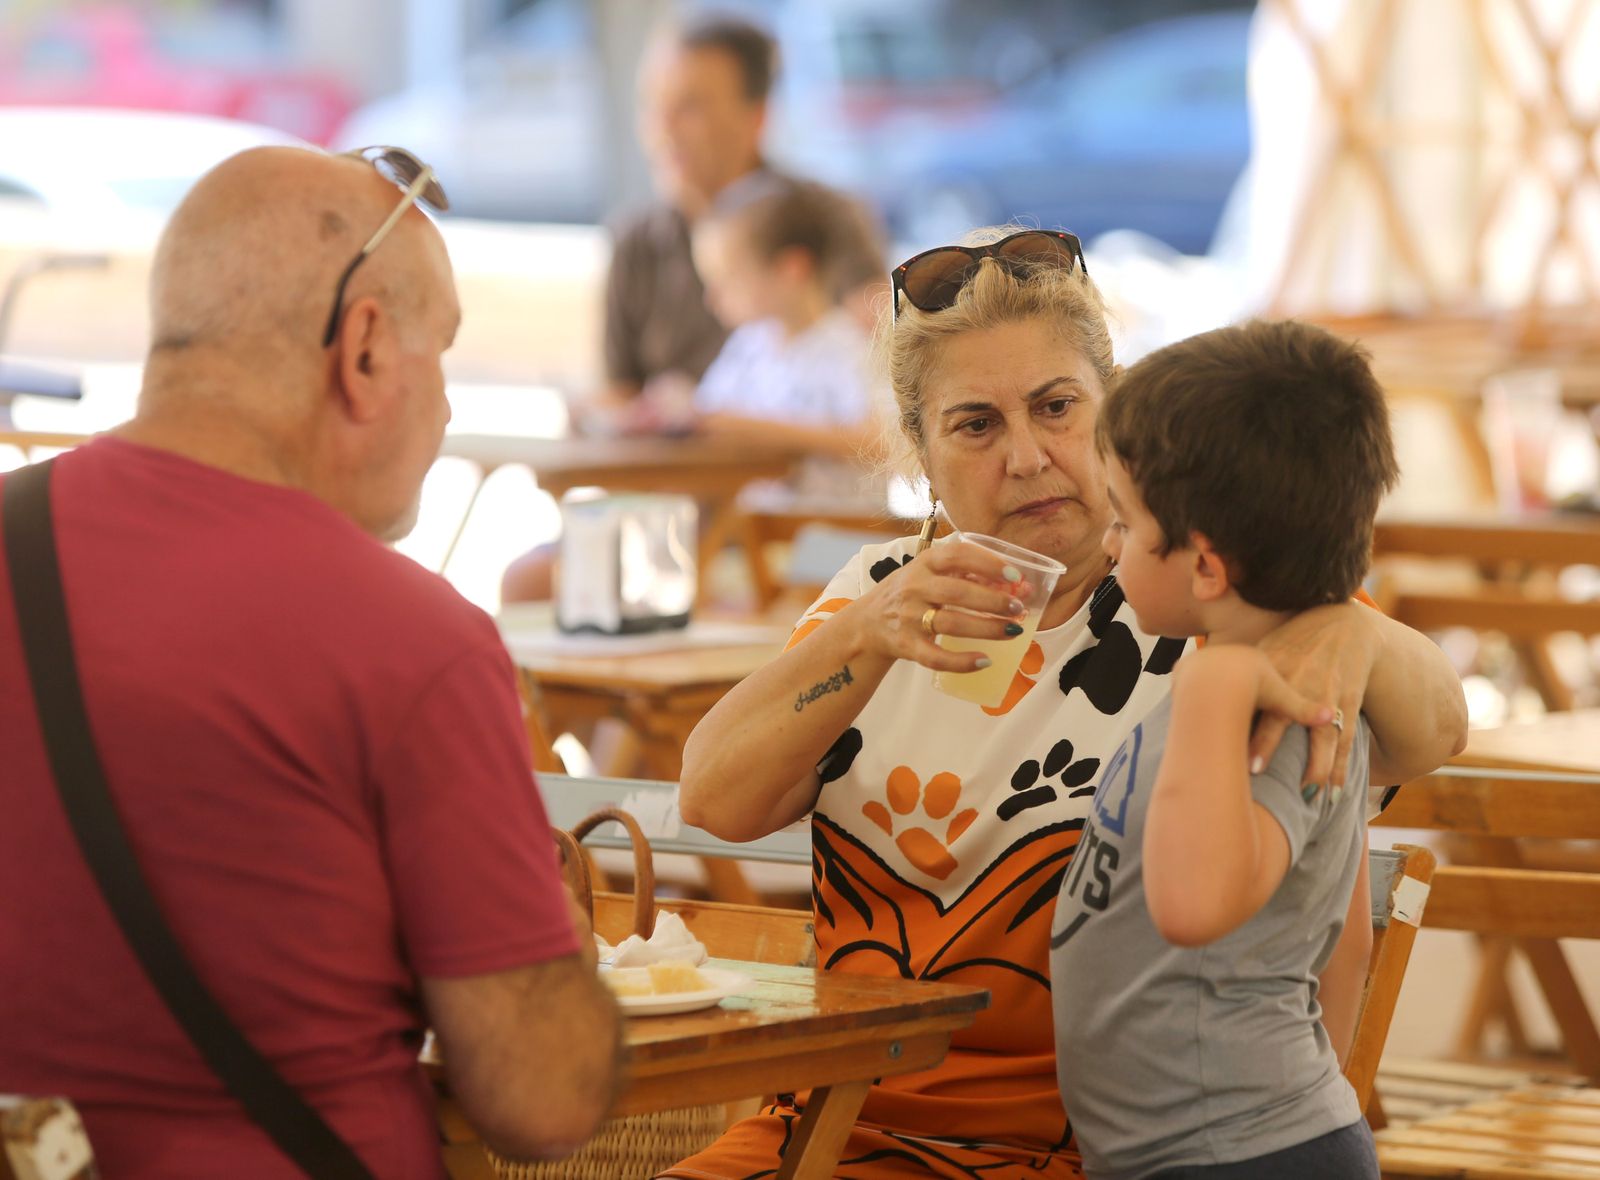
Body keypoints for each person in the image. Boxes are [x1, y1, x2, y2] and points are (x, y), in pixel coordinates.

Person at [665, 229, 1467, 1179]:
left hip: (1093, 1148)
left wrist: (1356, 632)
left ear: (1112, 411)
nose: (1028, 456)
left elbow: (1440, 729)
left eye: (1056, 408)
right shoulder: (879, 594)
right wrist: (865, 632)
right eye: (975, 425)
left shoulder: (1209, 595)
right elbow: (714, 799)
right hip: (832, 1123)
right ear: (920, 451)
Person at [0, 146, 620, 1178]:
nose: (451, 405)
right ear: (366, 348)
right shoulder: (411, 642)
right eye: (444, 352)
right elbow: (543, 1099)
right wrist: (557, 947)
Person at [1051, 319, 1396, 1180]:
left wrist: (1212, 691)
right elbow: (1343, 932)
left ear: (1205, 566)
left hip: (1247, 1153)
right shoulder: (1251, 686)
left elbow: (1194, 906)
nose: (1108, 543)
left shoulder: (1268, 712)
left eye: (1125, 525)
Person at [501, 13, 882, 602]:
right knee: (528, 582)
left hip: (793, 530)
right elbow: (618, 391)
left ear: (757, 117)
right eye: (652, 106)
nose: (662, 130)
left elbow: (885, 390)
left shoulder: (822, 223)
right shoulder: (638, 239)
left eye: (690, 107)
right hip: (673, 513)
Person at [683, 177, 886, 506]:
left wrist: (766, 433)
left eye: (729, 279)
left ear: (791, 269)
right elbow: (710, 418)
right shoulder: (748, 347)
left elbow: (881, 443)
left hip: (838, 542)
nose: (712, 297)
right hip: (763, 536)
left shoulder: (848, 348)